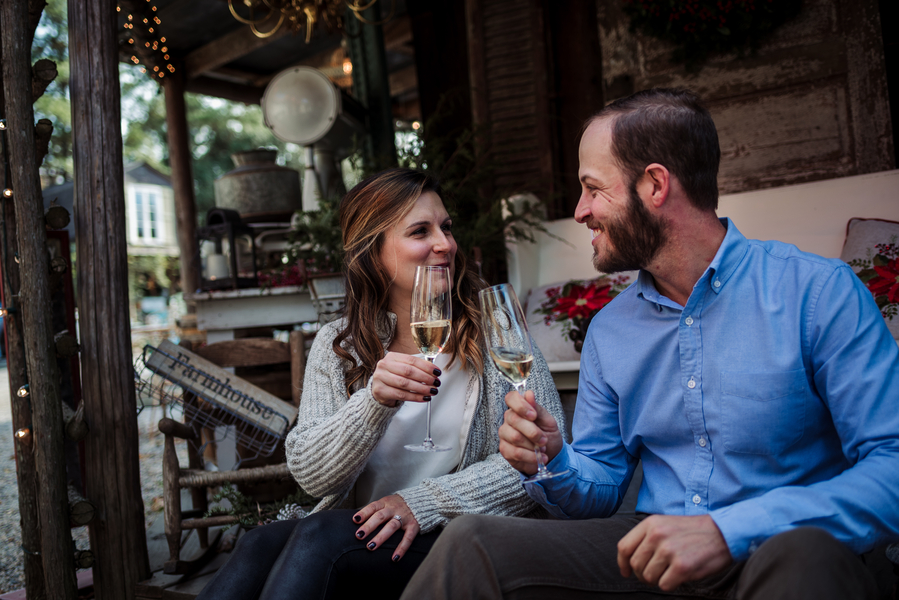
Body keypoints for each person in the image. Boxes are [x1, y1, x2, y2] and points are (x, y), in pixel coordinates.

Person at [398, 88, 899, 600]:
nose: (579, 211)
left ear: (655, 185)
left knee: (805, 556)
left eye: (593, 189)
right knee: (473, 541)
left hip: (780, 554)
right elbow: (603, 481)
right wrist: (552, 458)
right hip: (650, 553)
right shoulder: (610, 330)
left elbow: (893, 466)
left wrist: (731, 530)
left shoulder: (817, 293)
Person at [195, 167, 565, 600]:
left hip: (457, 532)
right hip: (360, 530)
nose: (445, 244)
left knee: (320, 538)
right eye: (420, 231)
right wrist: (373, 401)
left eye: (445, 227)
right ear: (373, 250)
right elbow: (312, 478)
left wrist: (423, 503)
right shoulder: (339, 344)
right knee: (259, 543)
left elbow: (544, 457)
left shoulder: (494, 328)